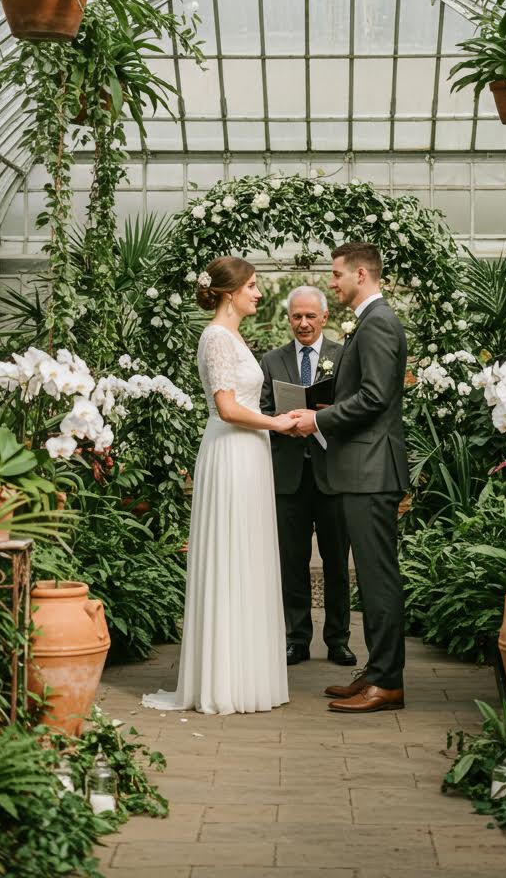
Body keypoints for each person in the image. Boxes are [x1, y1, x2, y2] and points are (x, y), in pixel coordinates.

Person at [142, 256, 298, 715]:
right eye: (252, 286)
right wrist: (277, 423)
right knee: (230, 553)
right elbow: (227, 408)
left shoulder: (232, 336)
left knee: (247, 556)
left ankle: (247, 676)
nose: (258, 293)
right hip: (231, 451)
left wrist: (272, 425)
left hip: (249, 453)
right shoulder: (215, 338)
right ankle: (222, 681)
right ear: (229, 292)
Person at [289, 242, 408, 714]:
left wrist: (318, 421)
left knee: (378, 579)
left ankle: (388, 682)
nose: (331, 282)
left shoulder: (378, 323)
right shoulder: (372, 321)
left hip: (371, 470)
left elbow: (376, 397)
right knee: (375, 578)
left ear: (361, 274)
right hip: (364, 469)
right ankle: (378, 672)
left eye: (336, 274)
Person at [260, 286, 356, 668]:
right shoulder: (271, 360)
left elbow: (353, 407)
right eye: (296, 317)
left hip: (332, 474)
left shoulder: (344, 356)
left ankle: (338, 640)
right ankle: (297, 638)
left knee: (337, 562)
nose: (303, 323)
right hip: (289, 477)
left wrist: (323, 417)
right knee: (292, 561)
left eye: (310, 316)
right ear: (289, 319)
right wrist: (287, 424)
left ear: (324, 317)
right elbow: (264, 411)